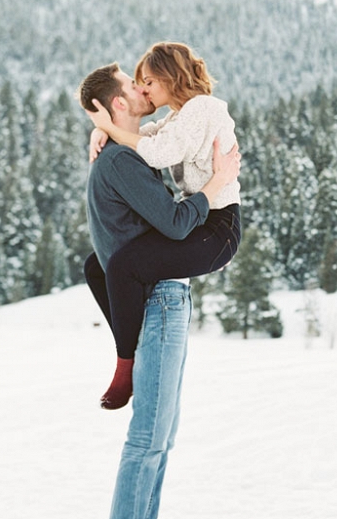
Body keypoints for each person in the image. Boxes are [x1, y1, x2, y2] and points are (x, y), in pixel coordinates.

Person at [78, 62, 240, 519]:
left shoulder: (123, 150)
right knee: (148, 436)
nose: (142, 90)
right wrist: (215, 188)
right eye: (133, 86)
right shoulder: (121, 159)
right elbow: (173, 223)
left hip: (163, 294)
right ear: (116, 103)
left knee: (161, 436)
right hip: (158, 299)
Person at [84, 42, 241, 410]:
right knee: (98, 267)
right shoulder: (180, 117)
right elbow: (149, 137)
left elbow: (153, 152)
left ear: (171, 78)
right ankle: (134, 347)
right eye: (138, 83)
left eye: (149, 81)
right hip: (203, 219)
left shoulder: (202, 109)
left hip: (216, 225)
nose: (144, 89)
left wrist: (109, 126)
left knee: (124, 265)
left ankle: (126, 364)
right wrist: (103, 132)